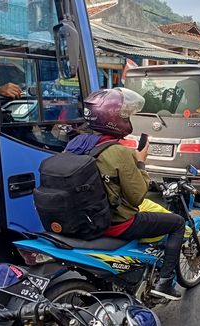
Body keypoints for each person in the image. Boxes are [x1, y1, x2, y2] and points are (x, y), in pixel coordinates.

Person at [64, 87, 185, 300]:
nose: (128, 118)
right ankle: (165, 283)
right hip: (116, 224)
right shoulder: (118, 152)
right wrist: (140, 162)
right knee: (176, 223)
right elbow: (137, 196)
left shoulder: (74, 144)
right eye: (125, 115)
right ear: (113, 119)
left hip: (80, 219)